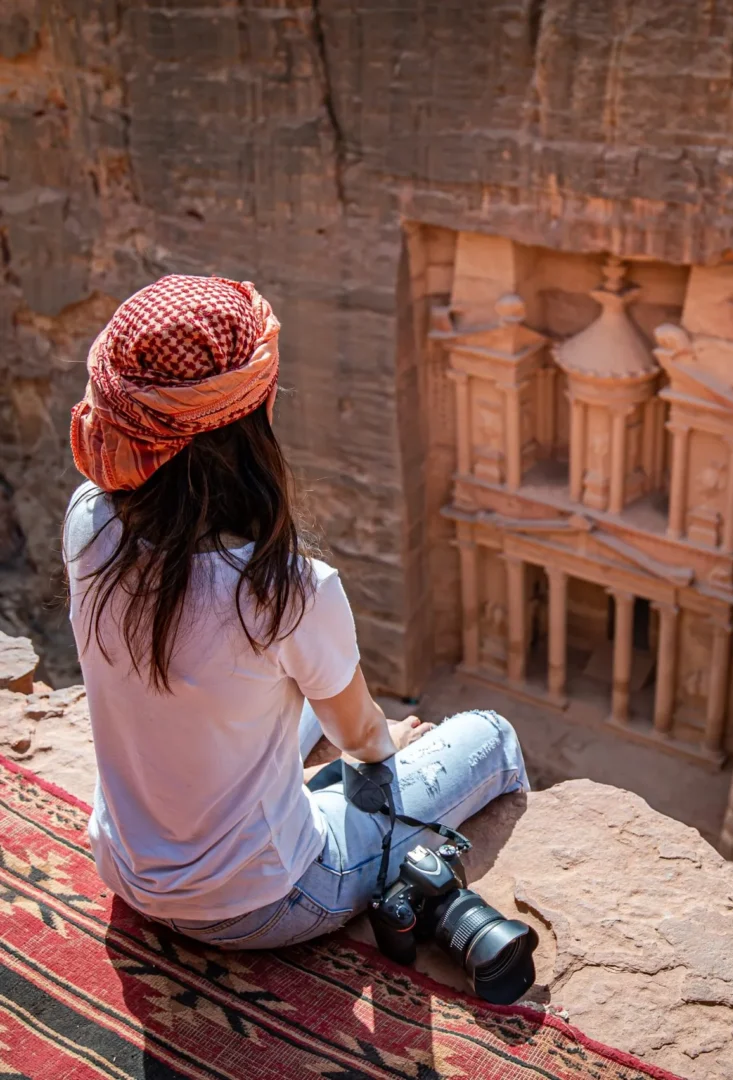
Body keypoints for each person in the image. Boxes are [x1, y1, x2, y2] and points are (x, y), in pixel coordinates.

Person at [64, 274, 528, 949]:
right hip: (265, 901)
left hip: (126, 869)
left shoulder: (88, 524)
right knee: (492, 738)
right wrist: (381, 746)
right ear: (252, 421)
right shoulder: (285, 590)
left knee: (276, 692)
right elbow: (363, 738)